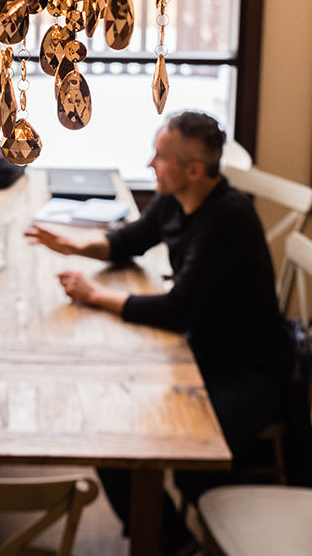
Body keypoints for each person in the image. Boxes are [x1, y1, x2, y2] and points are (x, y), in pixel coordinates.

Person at [25, 112, 296, 550]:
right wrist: (76, 245)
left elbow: (177, 310)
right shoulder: (177, 199)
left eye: (160, 157)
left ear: (193, 170)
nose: (151, 163)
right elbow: (132, 239)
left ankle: (259, 537)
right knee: (111, 437)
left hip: (250, 369)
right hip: (199, 351)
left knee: (192, 460)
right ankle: (171, 540)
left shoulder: (227, 218)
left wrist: (95, 296)